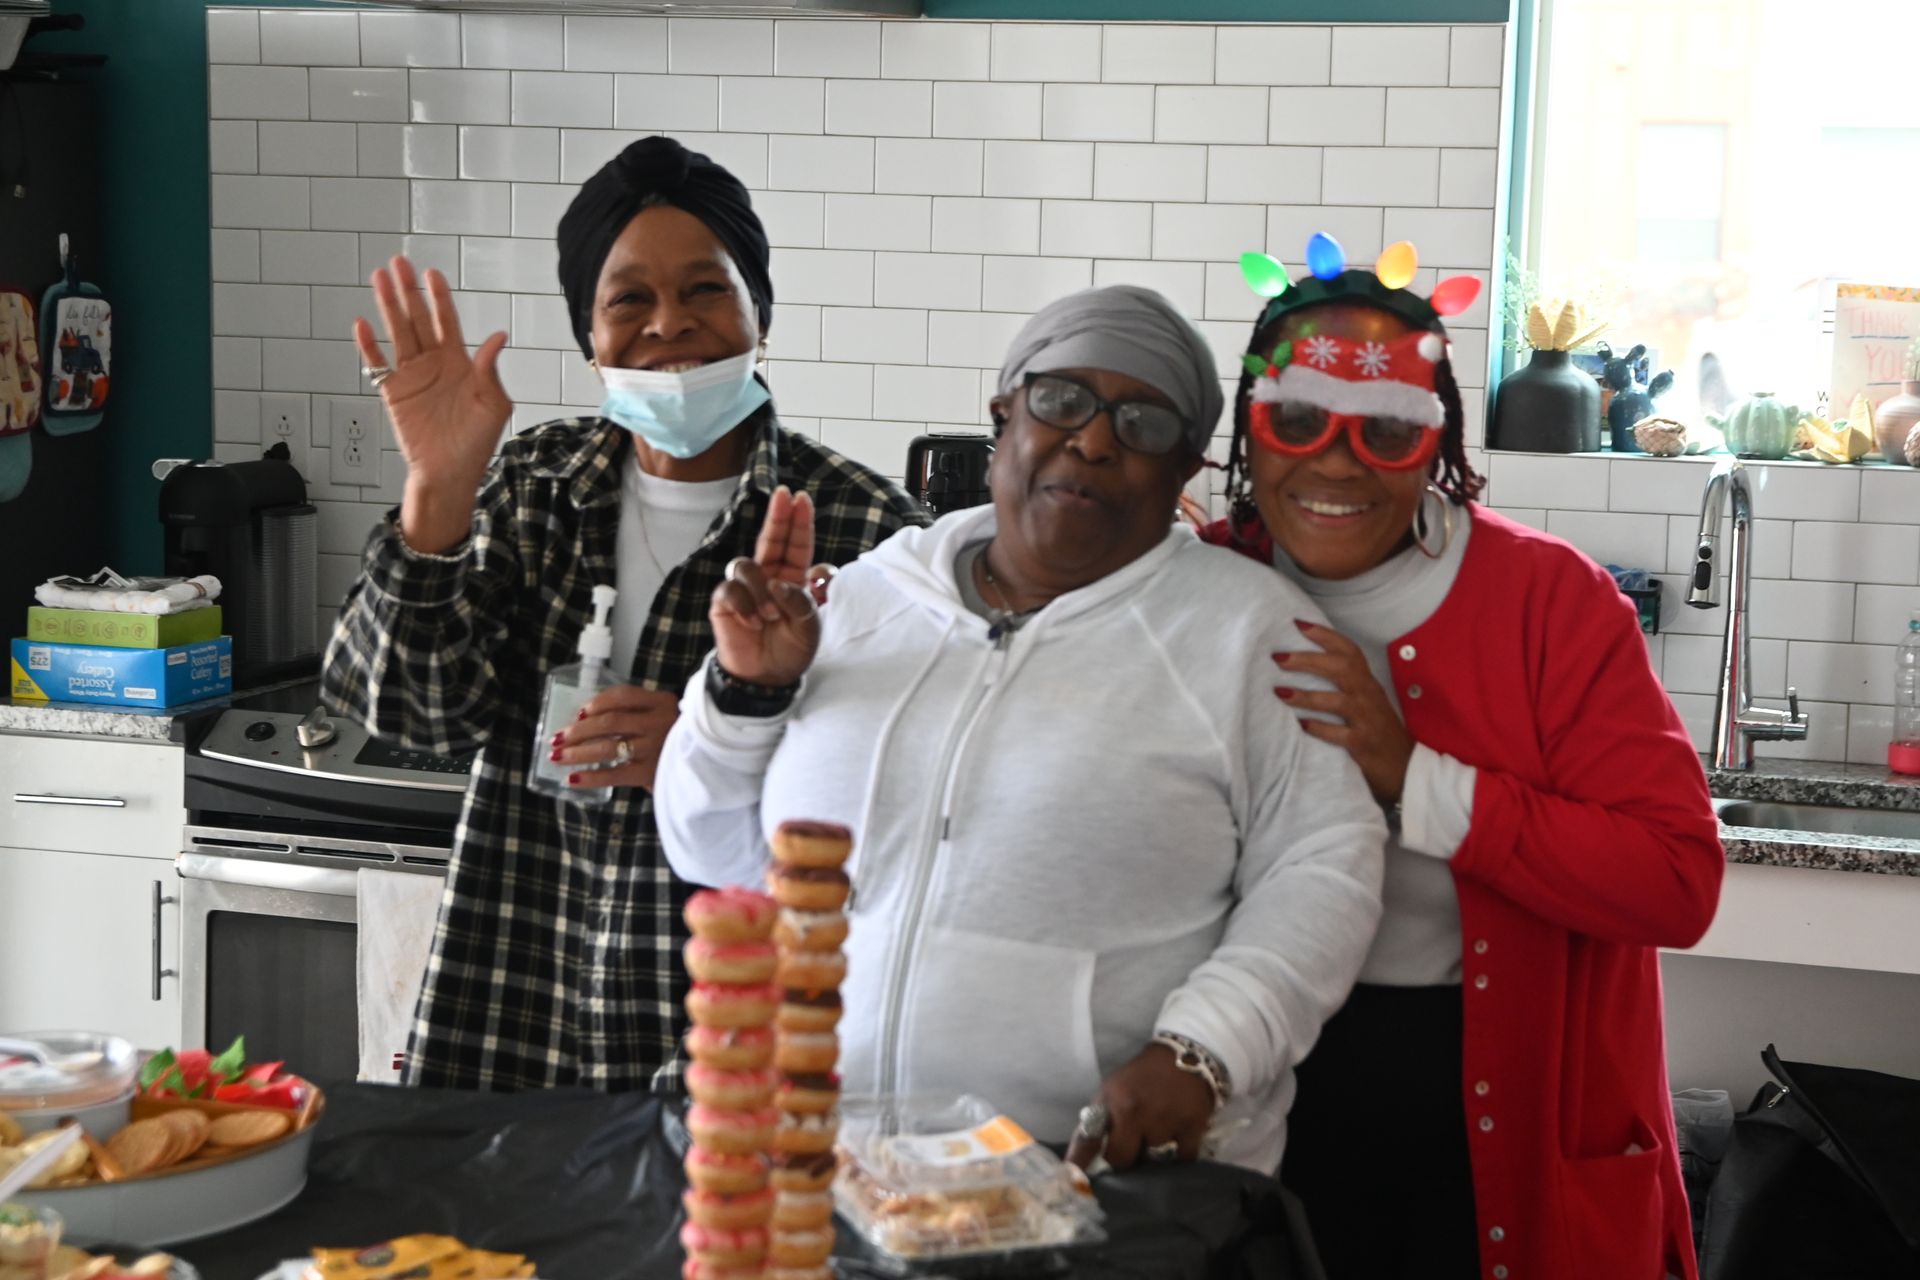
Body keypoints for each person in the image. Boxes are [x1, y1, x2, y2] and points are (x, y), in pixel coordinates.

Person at [654, 285, 1388, 1173]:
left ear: (1185, 470)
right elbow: (707, 848)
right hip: (814, 1165)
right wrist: (745, 691)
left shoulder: (1249, 635)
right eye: (1062, 400)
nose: (1094, 440)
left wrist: (1204, 1051)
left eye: (1144, 424)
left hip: (1094, 1179)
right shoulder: (863, 602)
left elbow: (1323, 866)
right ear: (1004, 415)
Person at [321, 136, 927, 1092]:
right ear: (589, 337)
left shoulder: (864, 528)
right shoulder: (532, 487)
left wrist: (713, 746)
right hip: (515, 1005)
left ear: (760, 313)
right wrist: (437, 488)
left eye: (706, 289)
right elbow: (413, 717)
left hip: (741, 1038)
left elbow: (915, 800)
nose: (669, 323)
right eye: (628, 299)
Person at [1204, 241, 1723, 1277]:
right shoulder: (1197, 588)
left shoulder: (1551, 601)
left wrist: (1414, 776)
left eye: (1387, 429)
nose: (1337, 462)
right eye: (1297, 420)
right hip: (1255, 1101)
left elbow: (1675, 881)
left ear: (1436, 440)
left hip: (1497, 1142)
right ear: (1249, 435)